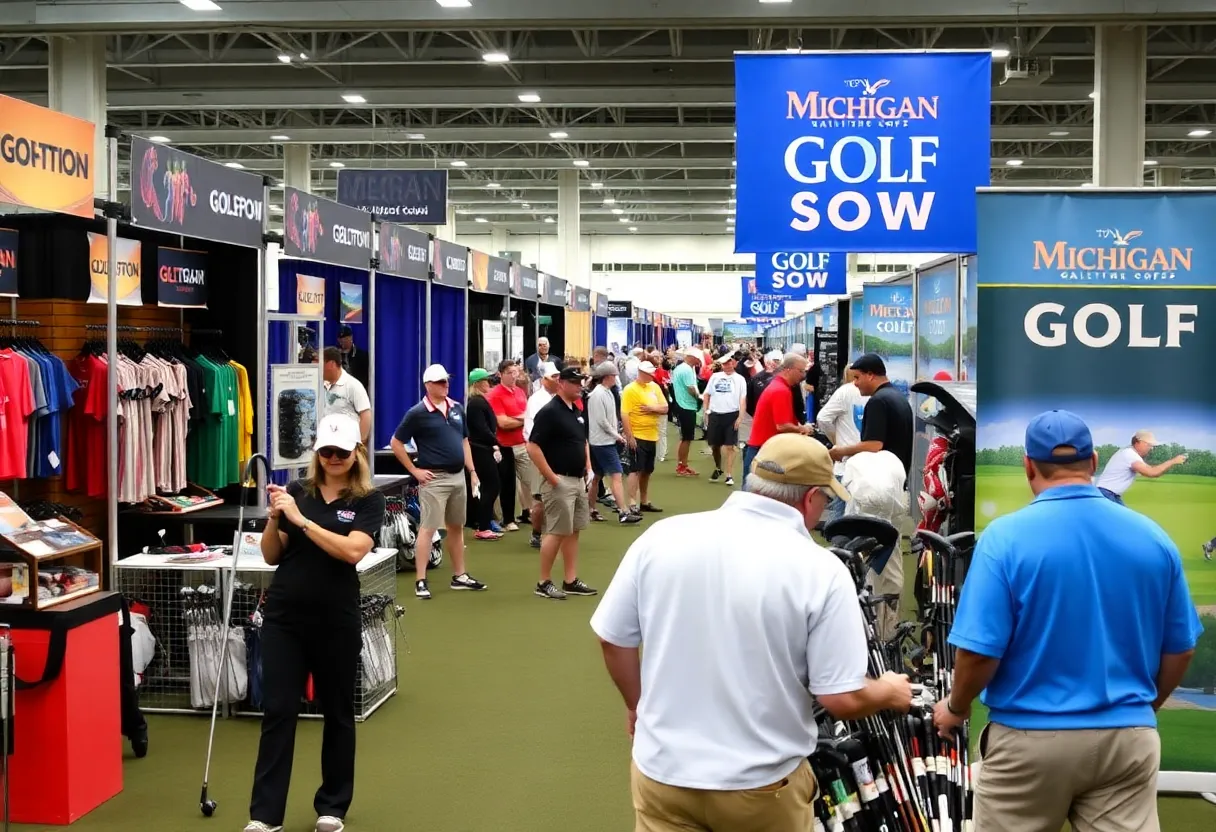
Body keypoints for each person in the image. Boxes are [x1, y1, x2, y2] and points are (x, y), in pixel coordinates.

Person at [590, 433, 912, 832]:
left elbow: (613, 638)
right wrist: (889, 690)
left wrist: (637, 706)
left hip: (662, 775)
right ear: (811, 497)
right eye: (825, 500)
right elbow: (841, 696)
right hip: (761, 786)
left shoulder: (661, 536)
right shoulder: (821, 569)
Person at [933, 410, 1202, 832]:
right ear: (1094, 461)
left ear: (1027, 465)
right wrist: (1142, 707)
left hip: (1029, 742)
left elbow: (980, 651)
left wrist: (955, 707)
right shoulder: (1153, 537)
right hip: (1127, 739)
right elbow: (1181, 646)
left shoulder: (1004, 538)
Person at [245, 414, 385, 832]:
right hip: (284, 618)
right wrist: (274, 518)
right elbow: (272, 555)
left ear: (355, 453)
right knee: (279, 711)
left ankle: (332, 806)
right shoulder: (296, 492)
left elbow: (352, 552)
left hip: (336, 619)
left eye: (342, 451)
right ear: (317, 453)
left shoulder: (366, 500)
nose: (333, 458)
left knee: (338, 712)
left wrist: (303, 522)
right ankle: (265, 815)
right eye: (326, 451)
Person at [390, 363, 488, 600]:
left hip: (457, 476)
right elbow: (396, 442)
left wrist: (472, 471)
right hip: (433, 478)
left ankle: (460, 576)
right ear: (428, 385)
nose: (446, 385)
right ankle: (420, 580)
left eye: (446, 381)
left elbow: (464, 441)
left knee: (456, 527)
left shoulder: (457, 408)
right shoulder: (417, 412)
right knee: (428, 528)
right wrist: (415, 471)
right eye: (440, 382)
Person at [527, 366, 599, 601]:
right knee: (556, 532)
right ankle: (543, 582)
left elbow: (582, 441)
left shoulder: (575, 410)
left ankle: (570, 580)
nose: (580, 387)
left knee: (573, 531)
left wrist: (588, 467)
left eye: (581, 383)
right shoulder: (550, 412)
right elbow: (533, 446)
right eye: (575, 383)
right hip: (559, 480)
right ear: (562, 384)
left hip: (577, 479)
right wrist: (551, 477)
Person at [829, 353, 914, 480]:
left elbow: (873, 445)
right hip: (897, 477)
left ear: (870, 375)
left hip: (880, 481)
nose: (855, 384)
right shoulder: (898, 397)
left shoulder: (878, 401)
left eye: (857, 377)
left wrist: (841, 451)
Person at [742, 353, 813, 491]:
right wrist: (803, 429)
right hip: (764, 450)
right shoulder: (781, 390)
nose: (803, 375)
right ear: (788, 369)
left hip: (761, 448)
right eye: (801, 371)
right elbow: (782, 426)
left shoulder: (779, 386)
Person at [587, 361, 640, 526]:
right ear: (607, 377)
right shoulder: (597, 395)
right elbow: (602, 421)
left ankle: (590, 509)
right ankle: (623, 512)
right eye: (614, 376)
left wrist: (616, 432)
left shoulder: (607, 392)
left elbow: (609, 418)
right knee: (616, 476)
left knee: (597, 477)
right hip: (603, 442)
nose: (616, 379)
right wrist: (617, 435)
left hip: (603, 441)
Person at [816, 367, 868, 523]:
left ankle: (836, 542)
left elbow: (823, 419)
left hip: (846, 463)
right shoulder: (876, 392)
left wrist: (836, 440)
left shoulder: (845, 391)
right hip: (867, 462)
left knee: (840, 508)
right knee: (861, 510)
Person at [487, 359, 532, 532]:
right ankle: (507, 519)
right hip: (504, 445)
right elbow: (503, 423)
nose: (514, 376)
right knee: (506, 485)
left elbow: (527, 416)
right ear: (500, 374)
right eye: (510, 373)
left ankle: (531, 512)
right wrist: (523, 418)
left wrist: (520, 418)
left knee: (531, 481)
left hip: (522, 444)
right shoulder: (495, 394)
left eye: (516, 372)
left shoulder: (520, 392)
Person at [620, 360, 668, 514]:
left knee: (647, 470)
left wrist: (651, 408)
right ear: (641, 373)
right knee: (635, 470)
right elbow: (625, 414)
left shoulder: (654, 387)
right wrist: (630, 436)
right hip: (637, 435)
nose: (652, 376)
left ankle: (644, 501)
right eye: (649, 374)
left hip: (652, 435)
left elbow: (665, 407)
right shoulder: (630, 389)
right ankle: (632, 503)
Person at [1094, 429, 1188, 505]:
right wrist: (1173, 461)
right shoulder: (1129, 454)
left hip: (1110, 495)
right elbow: (1152, 472)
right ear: (1138, 442)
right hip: (1106, 494)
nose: (1151, 448)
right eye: (1149, 445)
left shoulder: (1129, 453)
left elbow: (1149, 470)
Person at [523, 362, 561, 548]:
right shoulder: (536, 400)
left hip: (557, 455)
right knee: (539, 498)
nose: (557, 380)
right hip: (541, 455)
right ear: (544, 380)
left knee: (557, 495)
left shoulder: (559, 398)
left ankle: (553, 531)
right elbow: (531, 431)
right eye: (554, 377)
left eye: (558, 376)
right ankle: (536, 533)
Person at [464, 368, 504, 541]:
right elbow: (482, 429)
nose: (489, 383)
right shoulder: (476, 403)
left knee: (490, 486)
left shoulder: (477, 402)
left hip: (482, 448)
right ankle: (483, 525)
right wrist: (496, 442)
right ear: (478, 383)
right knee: (491, 486)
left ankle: (483, 523)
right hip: (480, 449)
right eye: (486, 380)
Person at [701, 351, 747, 487]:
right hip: (715, 415)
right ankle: (718, 468)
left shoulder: (740, 379)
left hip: (731, 415)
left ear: (733, 363)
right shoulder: (715, 377)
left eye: (729, 363)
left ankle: (729, 474)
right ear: (721, 365)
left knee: (729, 446)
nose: (727, 366)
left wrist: (740, 417)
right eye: (725, 364)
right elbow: (707, 395)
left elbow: (742, 399)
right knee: (715, 446)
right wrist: (707, 411)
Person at [321, 347, 371, 444]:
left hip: (347, 447)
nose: (318, 367)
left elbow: (366, 415)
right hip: (326, 445)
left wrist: (359, 443)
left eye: (321, 363)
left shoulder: (353, 385)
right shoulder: (319, 385)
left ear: (331, 364)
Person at [671, 349, 702, 477]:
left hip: (682, 405)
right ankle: (681, 467)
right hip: (686, 406)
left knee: (685, 437)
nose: (699, 361)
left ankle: (682, 465)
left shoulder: (681, 368)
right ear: (692, 357)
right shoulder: (687, 370)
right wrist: (699, 397)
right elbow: (691, 388)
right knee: (687, 438)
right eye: (698, 359)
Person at [335, 324, 368, 389]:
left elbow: (366, 377)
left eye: (346, 338)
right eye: (341, 339)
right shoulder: (335, 354)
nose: (343, 341)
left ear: (351, 337)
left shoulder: (361, 355)